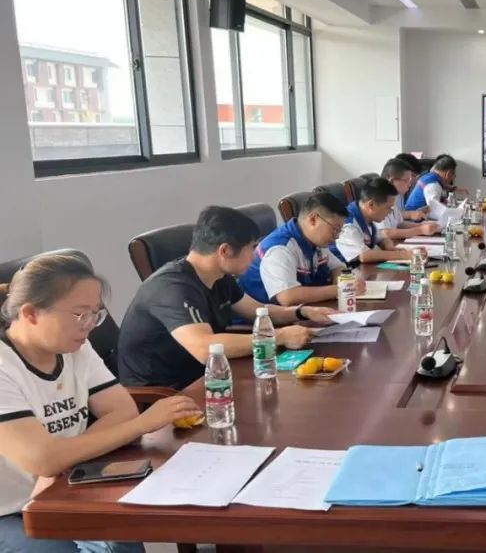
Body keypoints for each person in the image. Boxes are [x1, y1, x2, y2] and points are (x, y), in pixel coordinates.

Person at [0, 253, 202, 553]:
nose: (89, 326)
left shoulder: (74, 348)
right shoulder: (5, 366)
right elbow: (42, 459)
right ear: (30, 313)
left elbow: (122, 410)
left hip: (63, 486)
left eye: (95, 314)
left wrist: (63, 458)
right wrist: (143, 424)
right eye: (80, 314)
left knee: (124, 535)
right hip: (8, 510)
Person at [119, 206, 335, 390]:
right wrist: (279, 337)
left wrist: (301, 312)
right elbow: (204, 348)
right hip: (169, 393)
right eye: (252, 248)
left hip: (212, 376)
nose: (254, 255)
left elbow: (258, 311)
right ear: (225, 251)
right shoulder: (172, 287)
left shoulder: (219, 276)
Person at [240, 192, 362, 305]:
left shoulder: (314, 241)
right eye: (335, 229)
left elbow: (337, 268)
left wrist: (344, 282)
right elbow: (287, 297)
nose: (337, 236)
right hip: (265, 318)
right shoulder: (280, 248)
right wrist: (341, 289)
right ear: (313, 219)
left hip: (302, 311)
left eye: (339, 231)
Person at [333, 178, 417, 264]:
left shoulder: (366, 215)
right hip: (346, 270)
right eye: (388, 208)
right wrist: (403, 255)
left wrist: (390, 247)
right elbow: (364, 256)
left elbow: (381, 238)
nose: (390, 212)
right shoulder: (347, 224)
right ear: (371, 205)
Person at [377, 158, 440, 239]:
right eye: (406, 180)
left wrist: (422, 225)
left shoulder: (393, 197)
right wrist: (420, 230)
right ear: (392, 181)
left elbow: (400, 224)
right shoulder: (379, 198)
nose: (409, 185)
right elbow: (386, 233)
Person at [404, 154, 457, 221]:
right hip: (414, 220)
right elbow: (434, 212)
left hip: (413, 216)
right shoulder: (433, 185)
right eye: (453, 175)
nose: (452, 178)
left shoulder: (428, 177)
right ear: (448, 174)